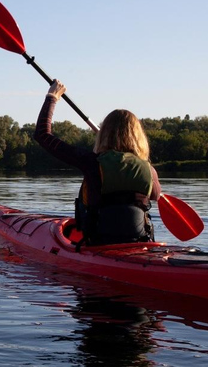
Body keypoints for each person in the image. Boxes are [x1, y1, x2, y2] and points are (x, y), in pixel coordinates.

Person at [34, 81, 161, 245]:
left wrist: (52, 97)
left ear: (104, 134)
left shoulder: (91, 162)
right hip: (140, 243)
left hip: (99, 244)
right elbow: (156, 195)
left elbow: (42, 135)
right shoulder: (149, 170)